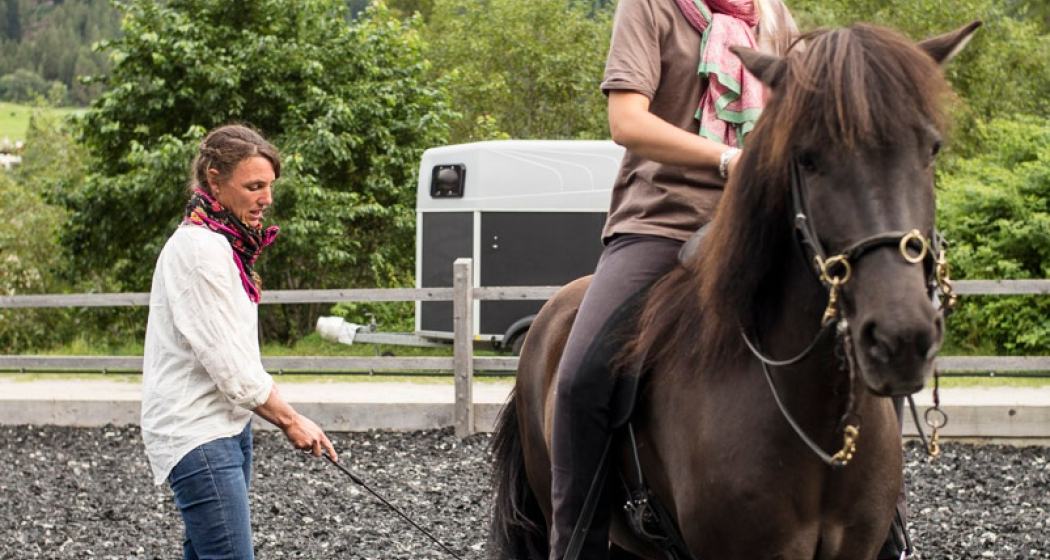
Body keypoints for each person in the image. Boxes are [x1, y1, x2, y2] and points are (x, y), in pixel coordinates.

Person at [547, 0, 788, 559]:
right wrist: (728, 160)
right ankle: (576, 544)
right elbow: (627, 122)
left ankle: (886, 532)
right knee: (582, 377)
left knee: (860, 330)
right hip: (663, 221)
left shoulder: (772, 13)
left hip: (761, 222)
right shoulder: (650, 7)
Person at [141, 124, 338, 560]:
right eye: (253, 186)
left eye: (269, 186)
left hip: (229, 425)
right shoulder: (199, 251)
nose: (266, 198)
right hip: (198, 432)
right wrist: (290, 420)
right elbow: (228, 362)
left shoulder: (222, 243)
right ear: (215, 180)